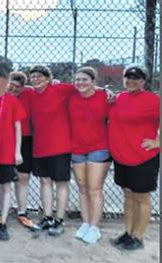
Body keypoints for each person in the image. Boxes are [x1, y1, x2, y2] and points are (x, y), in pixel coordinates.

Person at [108, 64, 159, 251]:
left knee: (141, 197)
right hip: (122, 156)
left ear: (144, 81)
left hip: (143, 157)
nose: (131, 81)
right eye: (128, 77)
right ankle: (128, 232)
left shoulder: (152, 100)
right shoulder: (119, 98)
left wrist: (158, 141)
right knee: (128, 195)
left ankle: (138, 236)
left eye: (136, 78)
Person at [28, 65, 76, 236]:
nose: (36, 79)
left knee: (61, 183)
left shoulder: (60, 89)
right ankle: (47, 217)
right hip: (40, 147)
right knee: (45, 182)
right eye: (33, 77)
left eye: (40, 76)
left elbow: (84, 87)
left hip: (60, 146)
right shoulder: (30, 94)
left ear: (48, 78)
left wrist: (106, 91)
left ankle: (59, 219)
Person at [69, 67, 111, 244]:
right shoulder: (71, 98)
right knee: (82, 188)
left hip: (99, 147)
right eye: (77, 80)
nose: (80, 83)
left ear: (93, 81)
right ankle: (85, 223)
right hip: (77, 148)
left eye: (84, 79)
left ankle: (95, 227)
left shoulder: (104, 97)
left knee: (94, 189)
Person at [0, 70, 26, 241]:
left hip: (7, 150)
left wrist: (17, 151)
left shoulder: (12, 100)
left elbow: (18, 128)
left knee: (6, 187)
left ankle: (3, 222)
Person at [8, 71, 37, 229]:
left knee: (23, 176)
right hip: (5, 139)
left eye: (18, 87)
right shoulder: (1, 94)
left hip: (25, 138)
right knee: (3, 178)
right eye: (11, 85)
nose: (14, 89)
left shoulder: (29, 93)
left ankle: (21, 210)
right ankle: (2, 208)